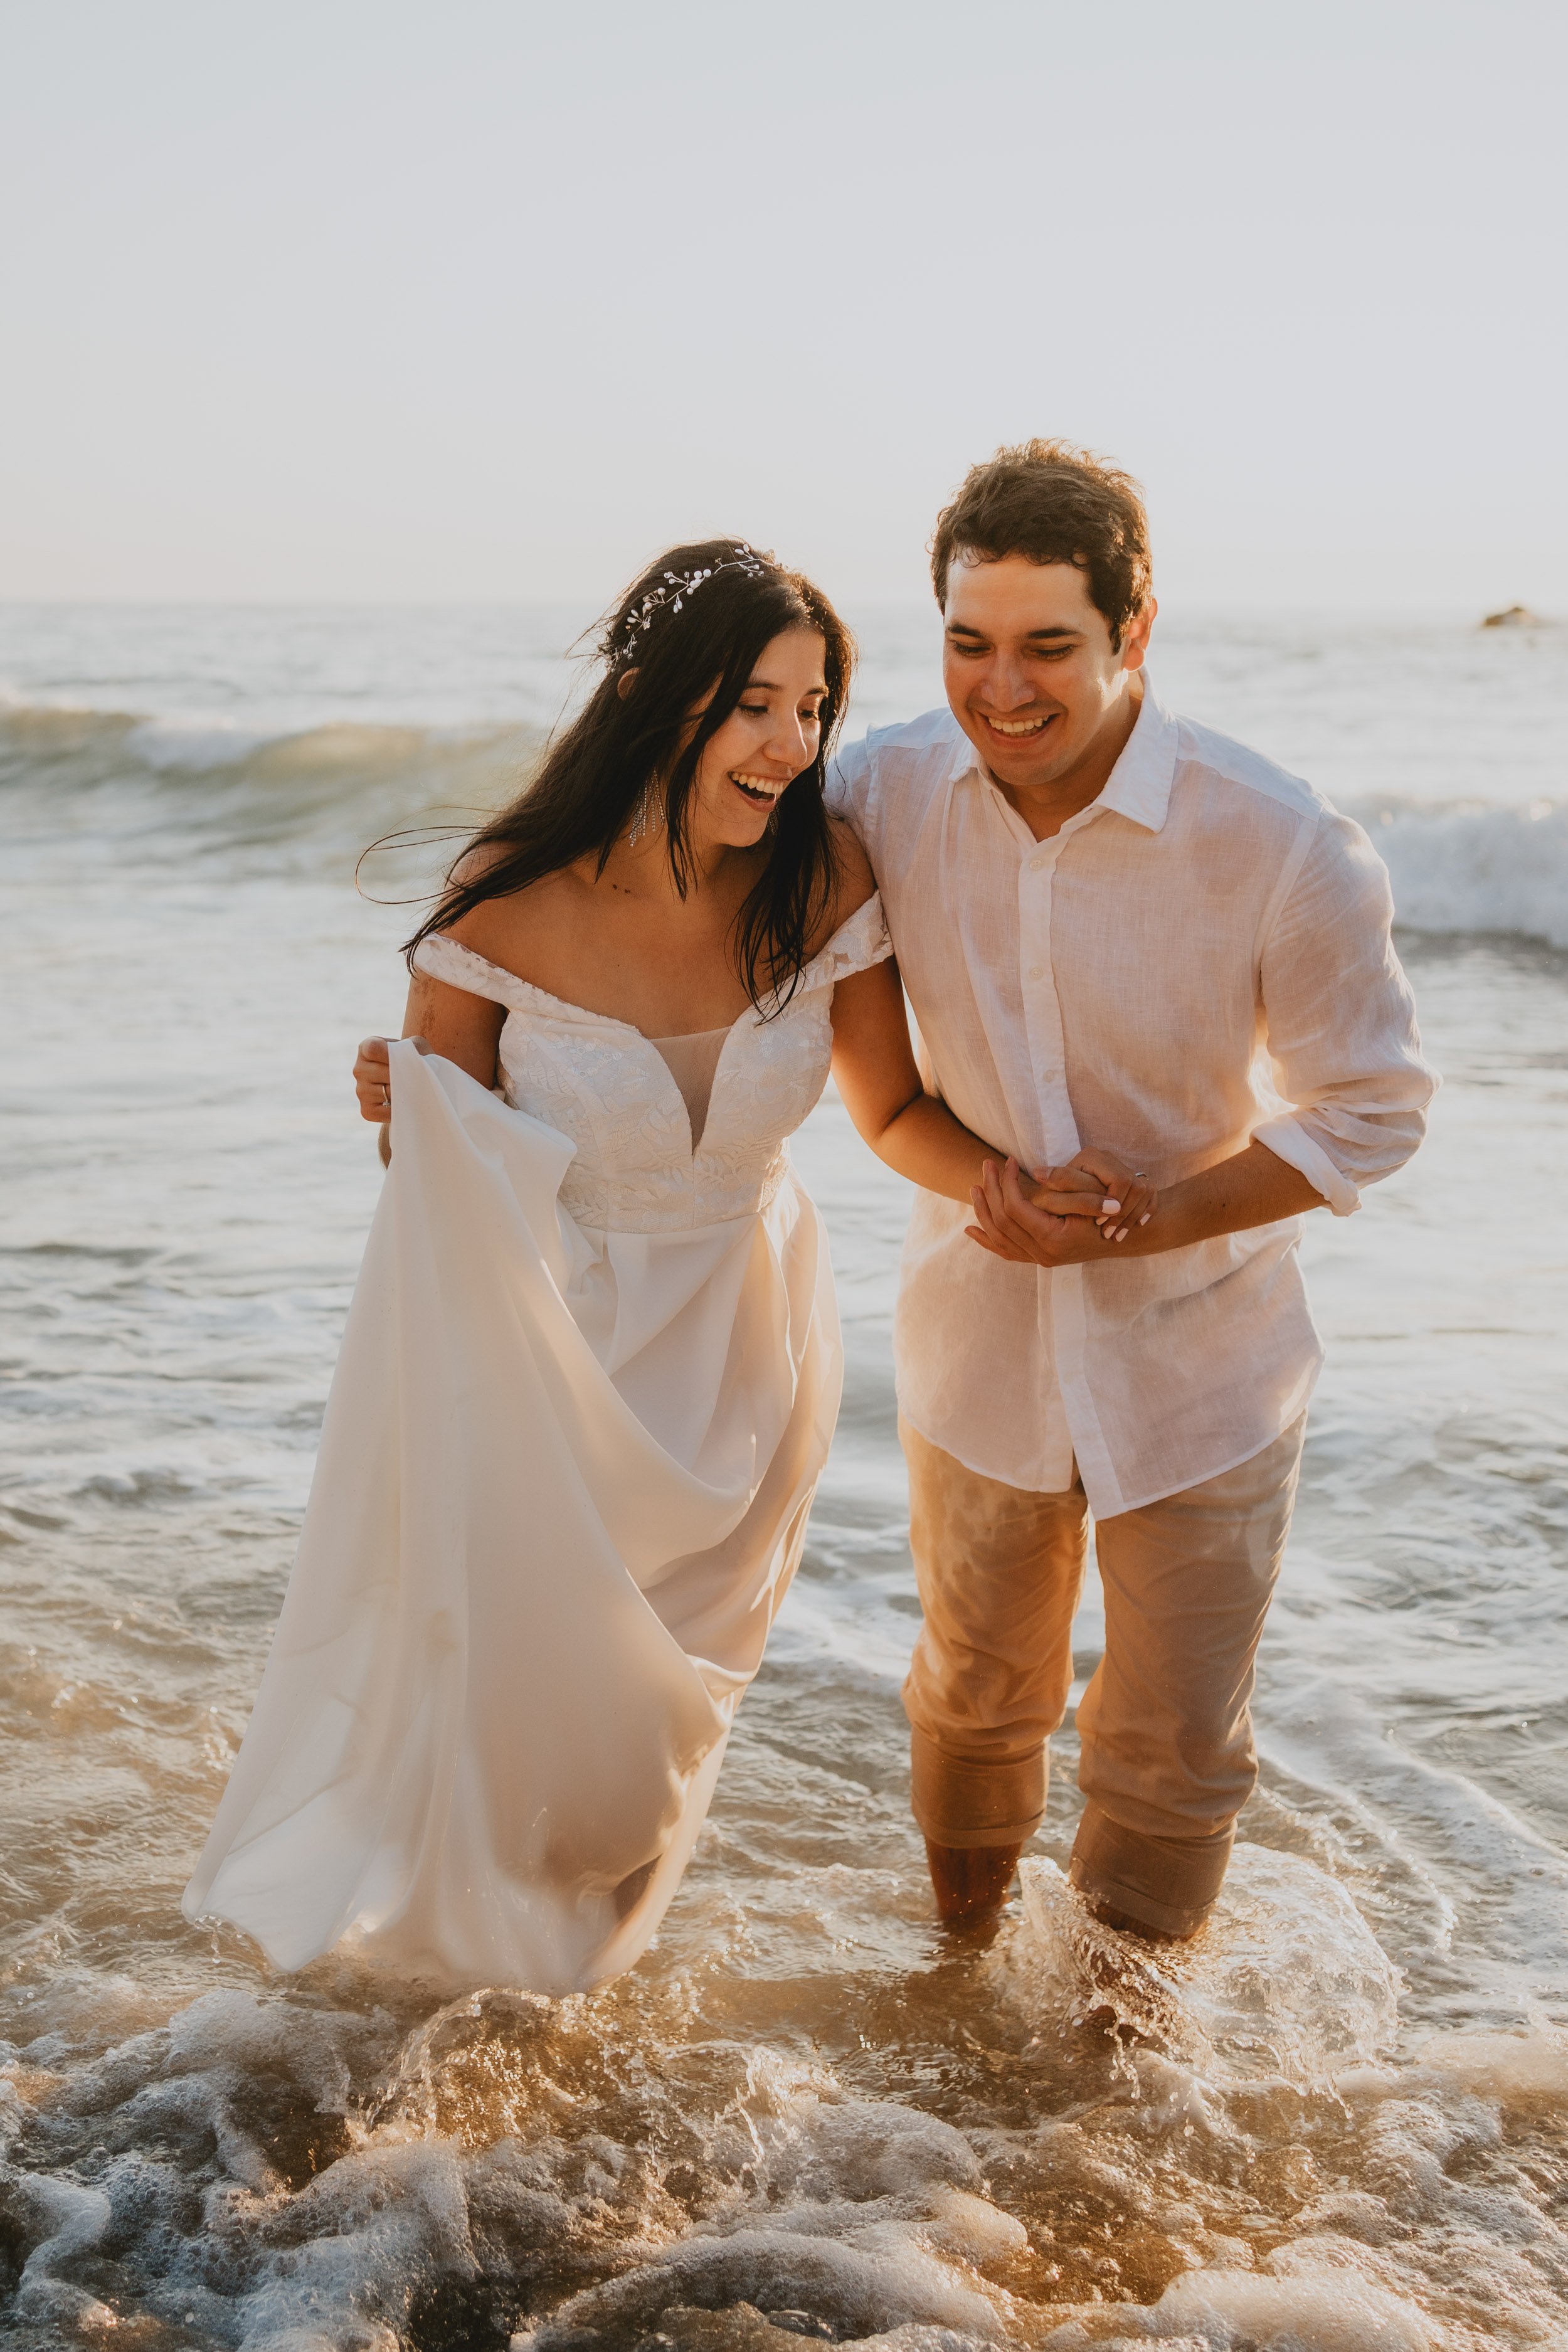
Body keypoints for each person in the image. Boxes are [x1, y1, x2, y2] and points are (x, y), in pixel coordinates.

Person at [183, 539, 1149, 1995]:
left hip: (750, 1356)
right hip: (552, 1360)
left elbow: (891, 1111)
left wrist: (1000, 1186)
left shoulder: (824, 878)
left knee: (655, 1743)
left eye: (811, 709)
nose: (789, 746)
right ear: (652, 696)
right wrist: (408, 1107)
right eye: (753, 705)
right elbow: (430, 1184)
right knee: (534, 1716)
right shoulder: (503, 901)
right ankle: (468, 2005)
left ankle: (564, 1996)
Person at [829, 442, 1436, 1941]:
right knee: (972, 1700)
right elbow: (681, 896)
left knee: (1171, 1758)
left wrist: (1150, 1219)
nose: (1000, 690)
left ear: (1134, 629)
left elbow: (1370, 1109)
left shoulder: (1279, 841)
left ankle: (1115, 2066)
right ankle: (959, 2002)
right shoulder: (875, 793)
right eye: (967, 643)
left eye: (1047, 645)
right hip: (973, 1343)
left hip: (1203, 1369)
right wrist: (454, 1038)